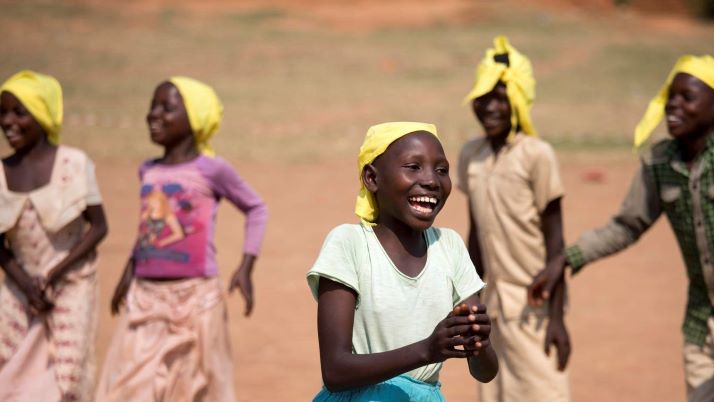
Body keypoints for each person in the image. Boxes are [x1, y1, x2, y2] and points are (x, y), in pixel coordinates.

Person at [530, 55, 714, 401]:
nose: (673, 103)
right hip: (702, 320)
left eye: (687, 97)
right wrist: (565, 259)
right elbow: (627, 226)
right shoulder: (659, 162)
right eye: (671, 96)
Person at [95, 76, 267, 402]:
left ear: (196, 118)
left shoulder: (212, 169)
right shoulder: (148, 170)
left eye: (167, 108)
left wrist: (246, 266)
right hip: (145, 298)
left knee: (193, 387)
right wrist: (127, 273)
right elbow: (148, 229)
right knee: (129, 386)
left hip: (196, 299)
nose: (153, 115)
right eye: (152, 107)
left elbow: (256, 208)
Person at [307, 122, 498, 401]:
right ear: (372, 178)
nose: (432, 180)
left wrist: (479, 341)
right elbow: (335, 371)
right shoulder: (349, 244)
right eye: (413, 167)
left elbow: (485, 372)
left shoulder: (450, 246)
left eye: (441, 170)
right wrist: (427, 351)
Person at [457, 36, 570, 402]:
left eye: (501, 98)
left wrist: (557, 319)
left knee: (542, 390)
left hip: (534, 302)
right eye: (483, 97)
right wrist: (468, 297)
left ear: (518, 101)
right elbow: (476, 233)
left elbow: (557, 243)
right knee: (495, 392)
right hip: (490, 303)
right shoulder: (470, 155)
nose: (490, 107)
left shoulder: (537, 155)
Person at [0, 70, 108, 401]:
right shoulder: (1, 172)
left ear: (44, 114)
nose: (8, 122)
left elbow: (99, 226)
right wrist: (25, 281)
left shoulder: (74, 164)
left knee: (68, 373)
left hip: (72, 282)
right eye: (2, 113)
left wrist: (54, 273)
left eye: (20, 112)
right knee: (9, 363)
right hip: (18, 285)